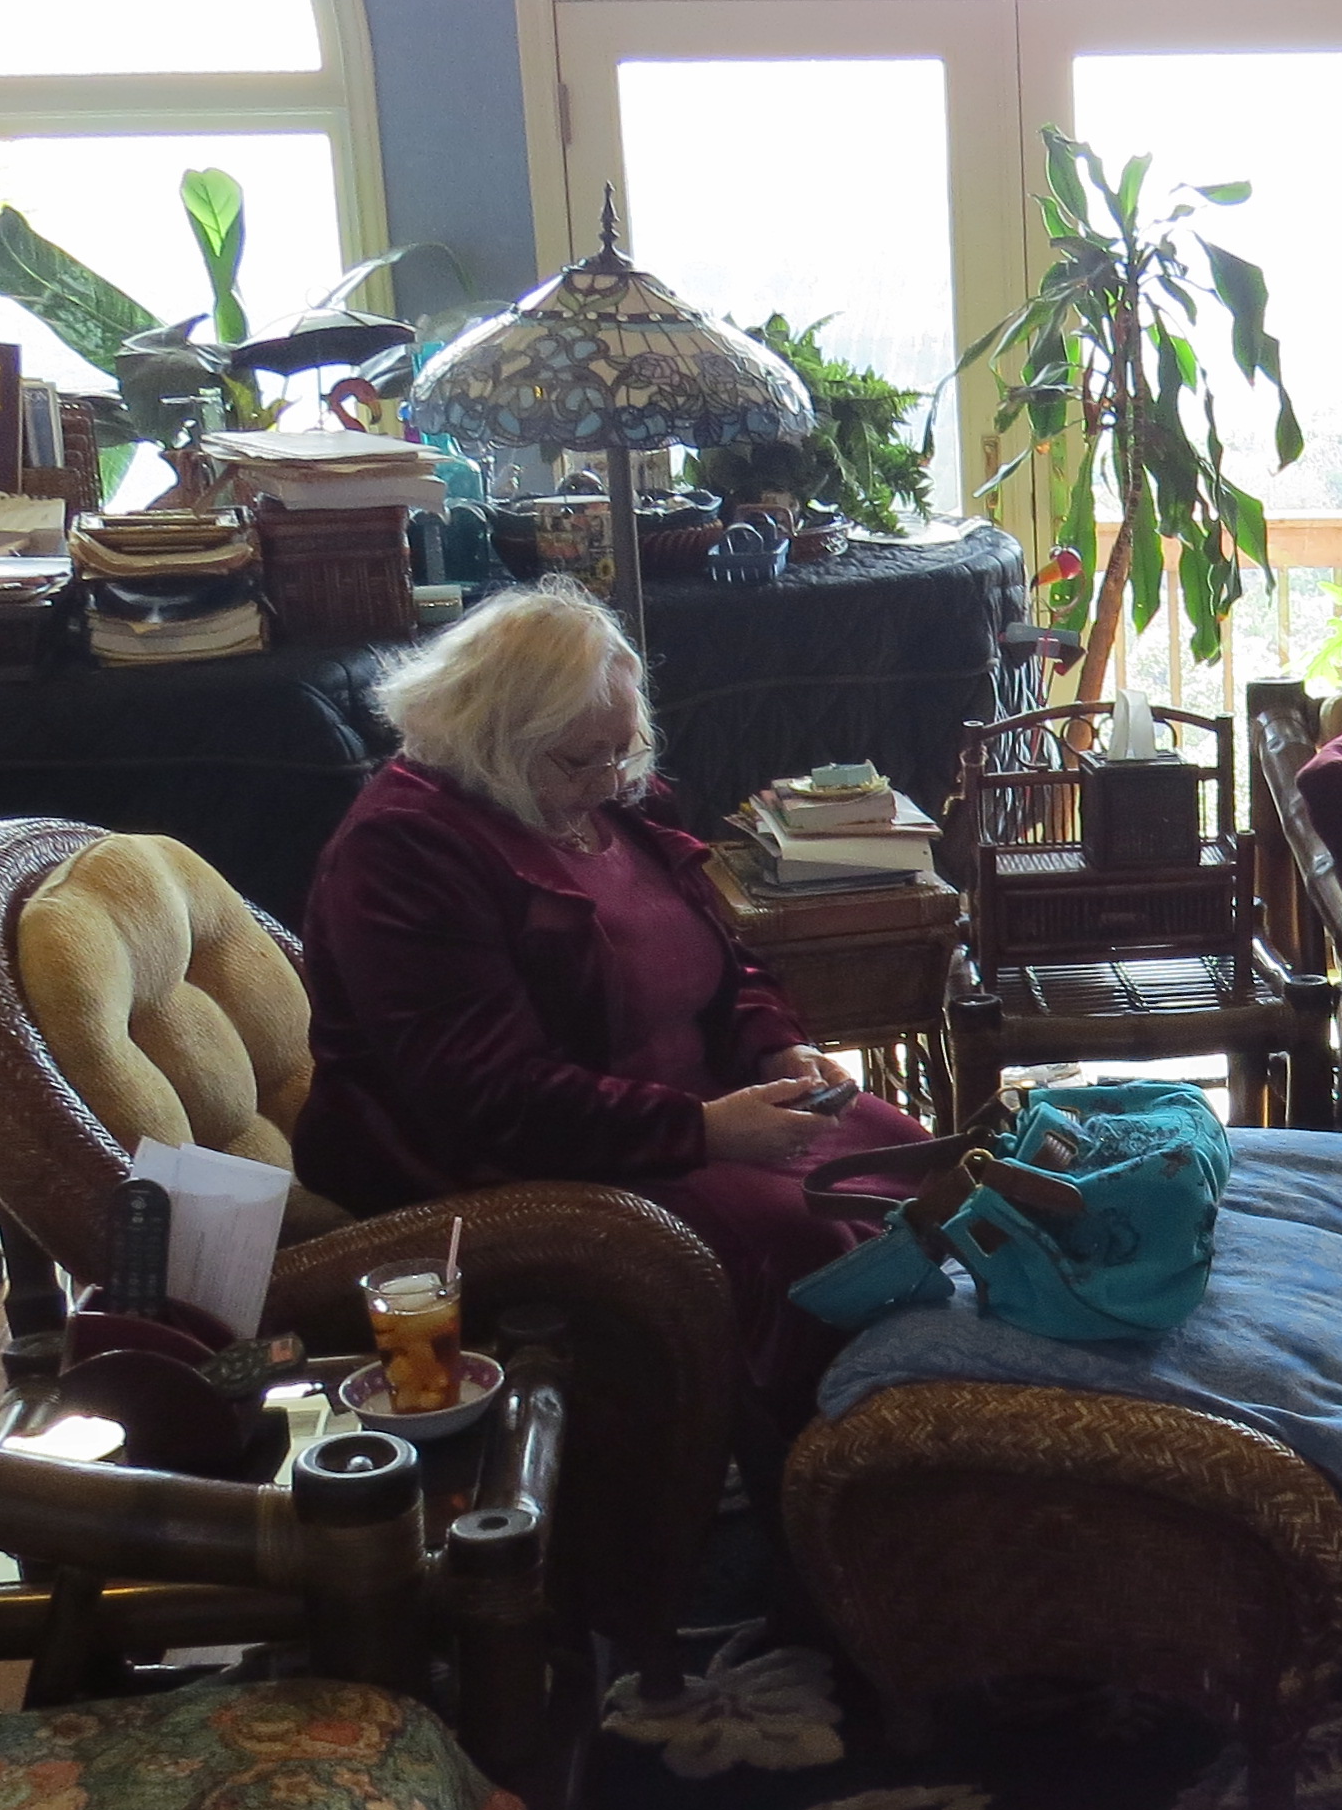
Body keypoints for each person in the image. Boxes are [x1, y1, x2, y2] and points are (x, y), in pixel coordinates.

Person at [294, 579, 928, 1433]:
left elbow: (722, 963)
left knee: (917, 1164)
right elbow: (484, 1096)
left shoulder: (611, 804)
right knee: (808, 1243)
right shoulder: (403, 849)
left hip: (685, 1109)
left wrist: (776, 1045)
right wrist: (702, 1131)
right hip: (518, 1154)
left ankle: (919, 1435)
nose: (610, 780)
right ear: (492, 735)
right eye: (580, 759)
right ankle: (808, 1470)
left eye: (622, 752)